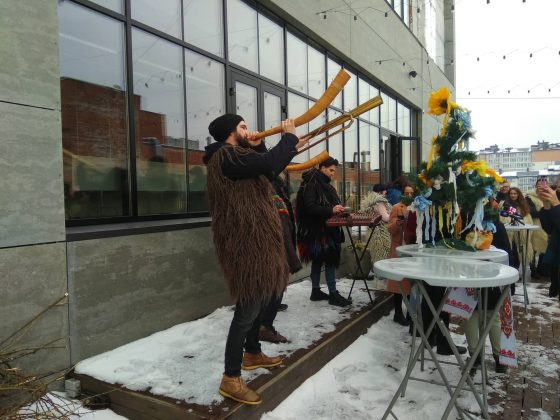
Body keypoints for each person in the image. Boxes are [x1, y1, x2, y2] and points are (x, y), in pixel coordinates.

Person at [203, 114, 307, 405]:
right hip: (245, 245)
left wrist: (266, 147)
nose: (248, 130)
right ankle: (230, 378)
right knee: (247, 311)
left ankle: (252, 354)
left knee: (259, 300)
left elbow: (266, 173)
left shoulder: (237, 157)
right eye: (243, 127)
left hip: (255, 242)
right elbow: (269, 166)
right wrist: (288, 137)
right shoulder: (224, 156)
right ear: (230, 133)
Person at [296, 157, 351, 307]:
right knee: (330, 260)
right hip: (319, 232)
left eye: (334, 171)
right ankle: (333, 293)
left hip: (324, 230)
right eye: (331, 170)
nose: (333, 174)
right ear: (322, 168)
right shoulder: (312, 184)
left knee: (319, 260)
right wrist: (331, 209)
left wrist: (338, 210)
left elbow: (324, 206)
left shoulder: (324, 185)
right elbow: (310, 207)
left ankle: (316, 291)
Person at [259, 172, 302, 343]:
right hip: (273, 246)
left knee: (274, 287)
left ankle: (263, 322)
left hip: (277, 243)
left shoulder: (276, 184)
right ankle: (264, 327)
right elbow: (280, 223)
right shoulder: (268, 185)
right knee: (275, 286)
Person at [387, 184, 416, 326]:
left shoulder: (417, 207)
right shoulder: (396, 207)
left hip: (411, 249)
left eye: (411, 193)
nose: (409, 196)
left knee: (410, 284)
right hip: (399, 247)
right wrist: (398, 223)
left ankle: (411, 313)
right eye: (407, 193)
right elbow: (390, 229)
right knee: (398, 283)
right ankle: (398, 312)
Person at [537, 183, 560, 298]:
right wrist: (546, 206)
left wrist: (556, 204)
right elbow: (550, 228)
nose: (557, 191)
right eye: (558, 188)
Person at [525, 181, 549, 278]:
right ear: (535, 186)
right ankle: (533, 270)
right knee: (534, 249)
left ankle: (542, 269)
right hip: (534, 225)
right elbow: (532, 212)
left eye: (544, 185)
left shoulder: (548, 196)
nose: (541, 187)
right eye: (539, 186)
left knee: (545, 246)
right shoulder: (529, 197)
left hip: (545, 225)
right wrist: (545, 211)